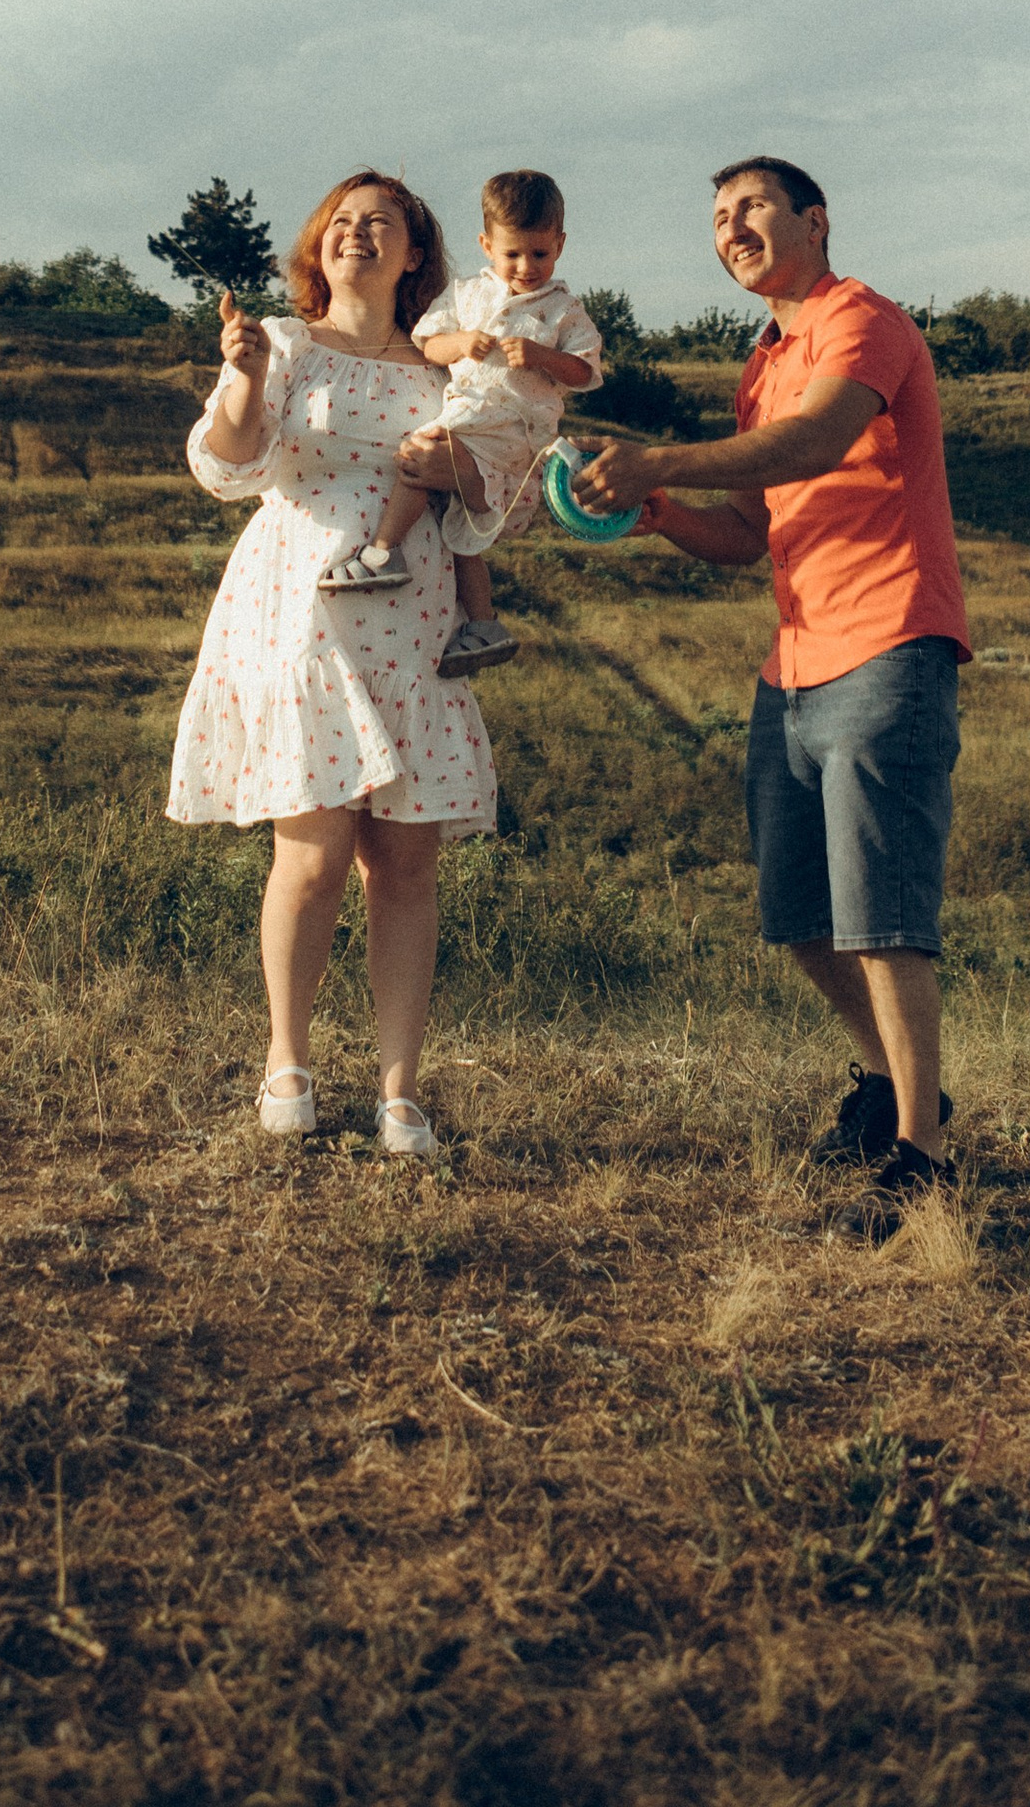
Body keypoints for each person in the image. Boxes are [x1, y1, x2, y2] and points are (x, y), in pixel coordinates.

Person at [575, 156, 970, 1219]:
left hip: (888, 642)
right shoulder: (763, 361)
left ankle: (923, 1157)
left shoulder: (861, 322)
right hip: (792, 664)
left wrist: (660, 460)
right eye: (716, 217)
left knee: (883, 918)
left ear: (816, 220)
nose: (730, 226)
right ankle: (893, 1086)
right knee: (798, 914)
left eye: (750, 206)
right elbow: (746, 536)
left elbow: (818, 440)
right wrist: (652, 512)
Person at [165, 169, 495, 1158]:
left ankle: (400, 1093)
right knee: (309, 855)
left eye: (379, 223)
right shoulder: (285, 343)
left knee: (405, 863)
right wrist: (246, 375)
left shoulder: (447, 368)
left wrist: (460, 469)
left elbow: (492, 502)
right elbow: (224, 465)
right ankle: (288, 1063)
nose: (358, 235)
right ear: (320, 247)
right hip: (298, 607)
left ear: (413, 254)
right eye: (342, 223)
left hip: (414, 616)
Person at [404, 168, 602, 677]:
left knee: (422, 449)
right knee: (461, 534)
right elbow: (428, 343)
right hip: (470, 417)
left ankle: (381, 552)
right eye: (512, 254)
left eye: (540, 254)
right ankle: (484, 623)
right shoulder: (466, 293)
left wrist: (542, 355)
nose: (526, 267)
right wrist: (462, 342)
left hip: (515, 435)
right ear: (486, 245)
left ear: (559, 244)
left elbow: (584, 372)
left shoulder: (564, 309)